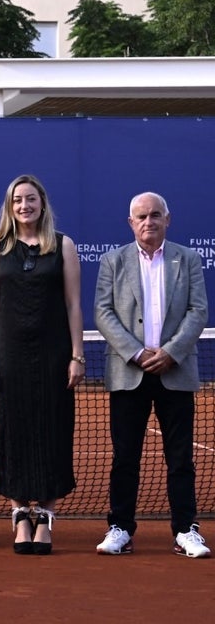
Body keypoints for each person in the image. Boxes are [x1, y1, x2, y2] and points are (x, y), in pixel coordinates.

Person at [94, 192, 210, 558]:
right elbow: (103, 312)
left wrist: (171, 353)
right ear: (131, 223)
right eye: (141, 217)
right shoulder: (113, 261)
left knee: (180, 459)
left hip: (175, 373)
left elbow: (198, 310)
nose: (149, 222)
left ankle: (185, 530)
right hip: (129, 374)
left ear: (167, 219)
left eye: (155, 215)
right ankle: (120, 528)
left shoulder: (187, 259)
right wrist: (136, 352)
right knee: (124, 457)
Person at [0, 175, 84, 555]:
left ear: (43, 202)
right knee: (13, 432)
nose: (25, 205)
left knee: (52, 431)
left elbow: (73, 304)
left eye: (31, 199)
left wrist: (76, 354)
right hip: (9, 357)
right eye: (17, 200)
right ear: (10, 206)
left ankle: (46, 520)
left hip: (54, 356)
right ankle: (21, 515)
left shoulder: (63, 246)